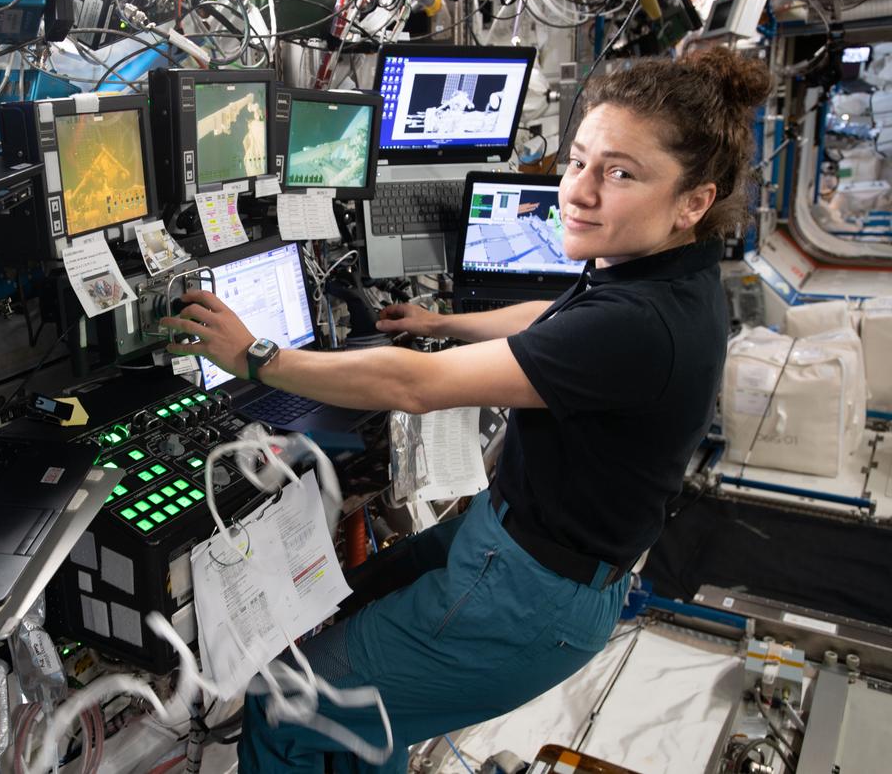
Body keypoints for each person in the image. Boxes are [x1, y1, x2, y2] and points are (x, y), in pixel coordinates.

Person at [160, 46, 770, 773]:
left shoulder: (641, 325)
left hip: (530, 595)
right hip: (519, 544)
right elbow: (557, 315)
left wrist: (257, 359)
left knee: (287, 698)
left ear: (692, 201)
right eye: (579, 161)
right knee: (350, 603)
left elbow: (415, 387)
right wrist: (443, 322)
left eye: (620, 173)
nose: (578, 191)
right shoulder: (671, 274)